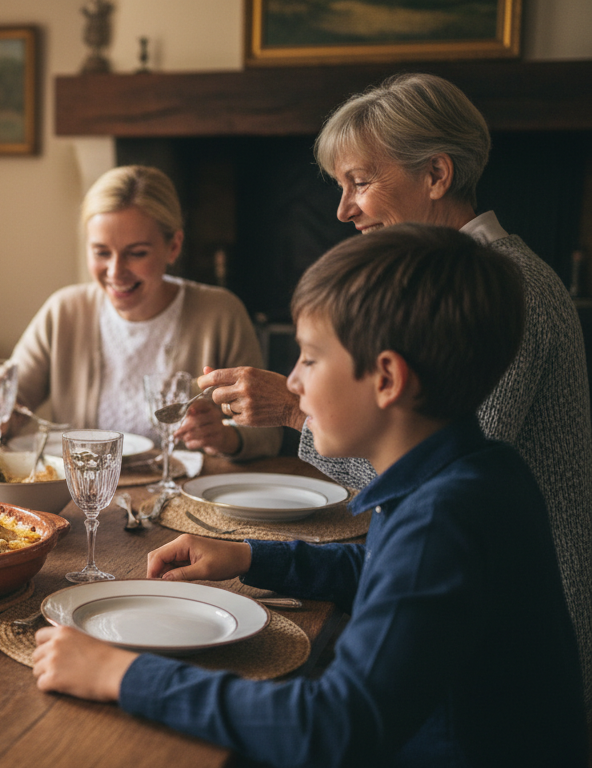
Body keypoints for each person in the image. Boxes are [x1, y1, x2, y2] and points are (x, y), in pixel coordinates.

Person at [33, 224, 586, 767]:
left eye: (310, 359)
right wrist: (250, 555)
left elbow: (331, 727)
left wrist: (120, 674)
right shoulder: (476, 471)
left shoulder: (443, 516)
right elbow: (382, 567)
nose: (292, 382)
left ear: (387, 379)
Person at [197, 73, 592, 708]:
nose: (342, 209)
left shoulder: (505, 293)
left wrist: (296, 410)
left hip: (515, 644)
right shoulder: (461, 285)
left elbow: (431, 480)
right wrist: (254, 554)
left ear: (436, 175)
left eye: (360, 182)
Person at [0, 165, 280, 459]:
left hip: (184, 498)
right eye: (101, 252)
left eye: (137, 253)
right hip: (82, 493)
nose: (115, 272)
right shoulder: (64, 312)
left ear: (174, 246)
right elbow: (7, 408)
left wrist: (225, 437)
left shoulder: (220, 313)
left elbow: (269, 434)